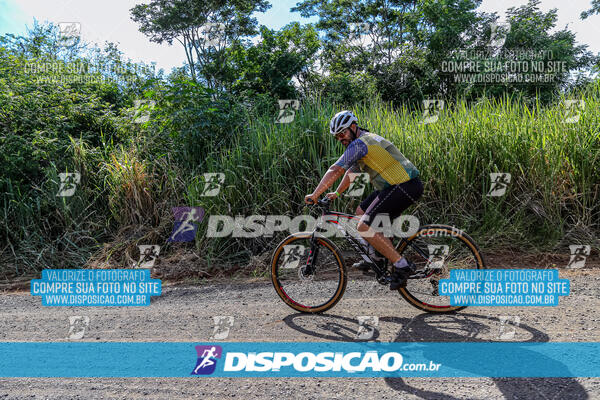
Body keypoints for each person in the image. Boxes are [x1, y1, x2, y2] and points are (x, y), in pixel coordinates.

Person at [304, 110, 424, 290]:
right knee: (360, 213)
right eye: (337, 137)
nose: (340, 139)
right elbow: (351, 170)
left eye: (342, 133)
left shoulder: (360, 143)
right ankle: (376, 257)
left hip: (403, 185)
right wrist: (336, 193)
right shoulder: (364, 140)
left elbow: (335, 169)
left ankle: (402, 266)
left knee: (363, 226)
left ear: (353, 127)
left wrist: (314, 195)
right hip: (397, 186)